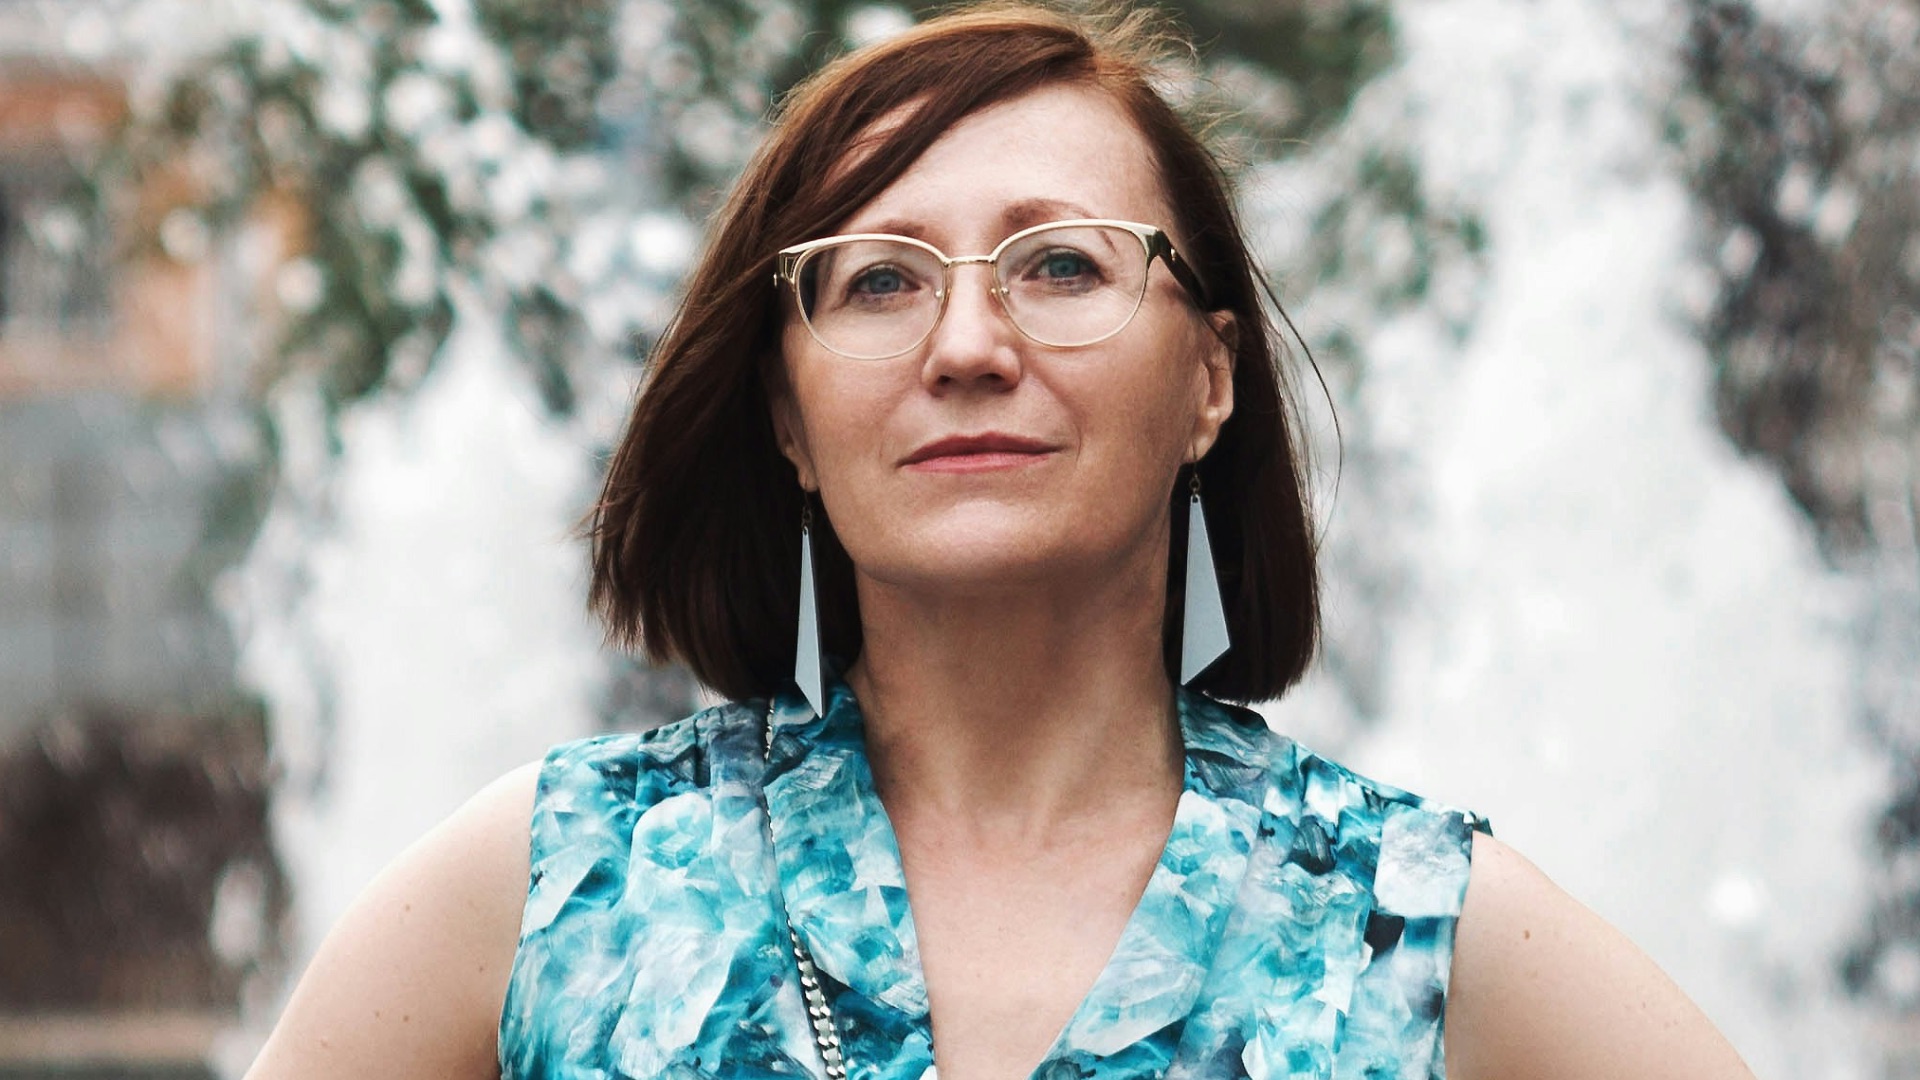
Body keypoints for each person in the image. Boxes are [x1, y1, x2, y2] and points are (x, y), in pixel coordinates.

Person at [243, 4, 1761, 1078]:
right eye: (881, 281)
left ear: (1210, 380)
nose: (969, 342)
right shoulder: (555, 886)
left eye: (1059, 264)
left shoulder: (1415, 928)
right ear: (786, 412)